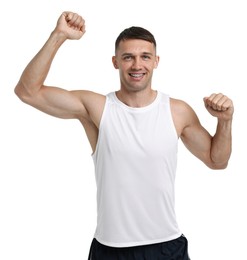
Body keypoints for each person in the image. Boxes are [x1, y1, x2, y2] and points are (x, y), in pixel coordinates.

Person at [14, 11, 233, 260]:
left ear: (156, 61)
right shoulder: (97, 108)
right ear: (115, 62)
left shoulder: (177, 112)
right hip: (110, 249)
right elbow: (27, 92)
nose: (137, 65)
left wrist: (225, 122)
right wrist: (59, 35)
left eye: (145, 57)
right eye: (128, 57)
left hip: (165, 246)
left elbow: (217, 161)